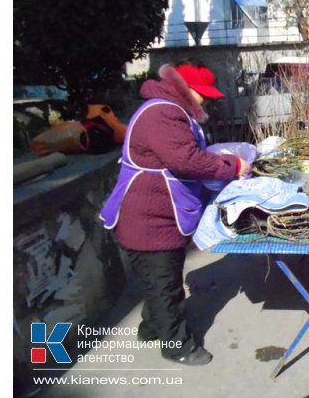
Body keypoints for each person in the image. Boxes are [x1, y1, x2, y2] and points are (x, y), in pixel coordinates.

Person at [100, 59, 252, 366]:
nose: (206, 100)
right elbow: (187, 160)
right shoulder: (163, 113)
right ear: (185, 88)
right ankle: (177, 346)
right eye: (203, 93)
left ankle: (151, 326)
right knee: (165, 285)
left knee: (159, 279)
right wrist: (234, 167)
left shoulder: (171, 110)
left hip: (159, 216)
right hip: (148, 220)